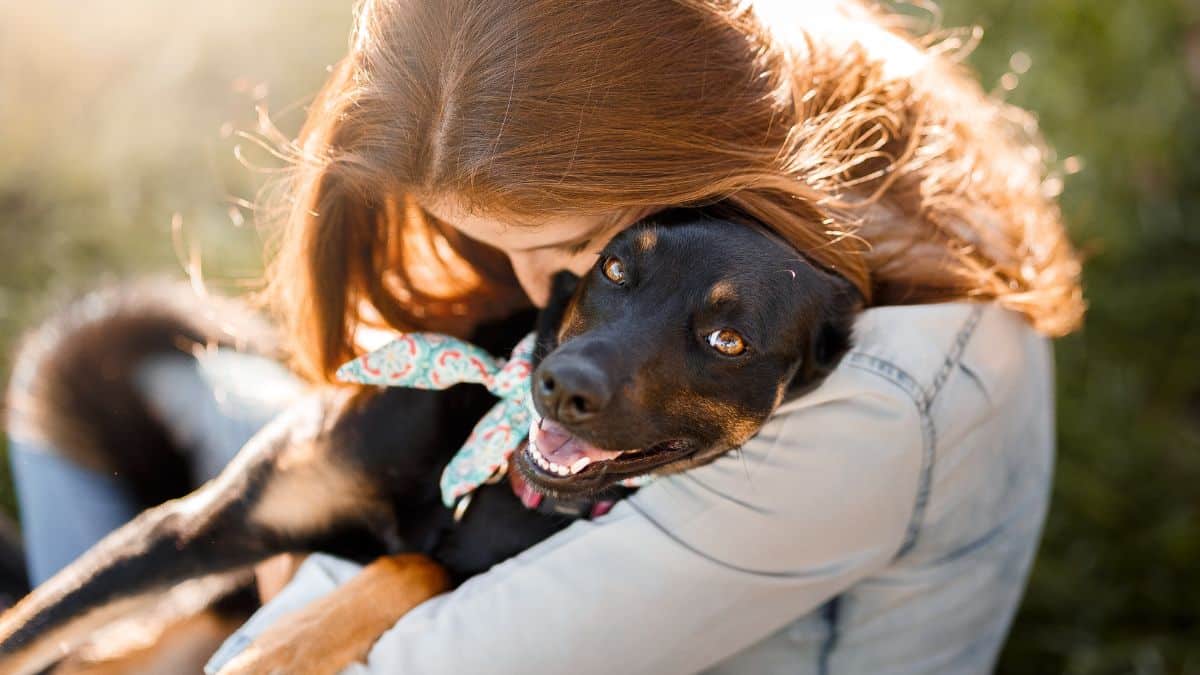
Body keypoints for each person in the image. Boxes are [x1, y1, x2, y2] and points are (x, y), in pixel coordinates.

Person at [8, 1, 1084, 673]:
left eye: (574, 243)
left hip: (487, 619)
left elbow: (357, 662)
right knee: (105, 360)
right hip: (464, 498)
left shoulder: (846, 408)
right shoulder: (771, 90)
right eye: (480, 239)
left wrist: (291, 557)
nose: (539, 296)